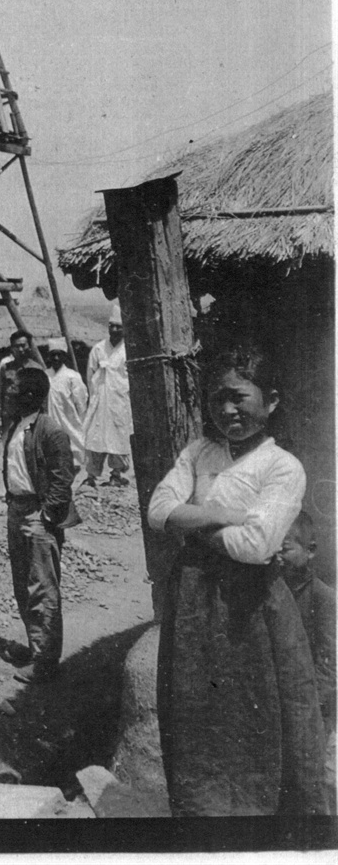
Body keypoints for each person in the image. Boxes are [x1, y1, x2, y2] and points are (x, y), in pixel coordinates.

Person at [148, 342, 326, 816]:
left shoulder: (282, 467)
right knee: (197, 714)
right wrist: (222, 514)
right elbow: (157, 509)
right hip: (193, 605)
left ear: (269, 400)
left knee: (261, 709)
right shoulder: (199, 452)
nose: (227, 409)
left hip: (252, 609)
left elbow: (258, 546)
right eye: (217, 399)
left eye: (238, 397)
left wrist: (196, 523)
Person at [1, 367, 80, 684]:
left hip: (37, 514)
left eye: (14, 387)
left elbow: (63, 479)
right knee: (23, 583)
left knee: (43, 588)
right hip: (16, 510)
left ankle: (46, 660)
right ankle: (36, 647)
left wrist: (46, 515)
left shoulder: (50, 431)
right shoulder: (17, 426)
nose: (8, 392)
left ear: (31, 394)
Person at [279, 511, 337, 812]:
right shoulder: (273, 594)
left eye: (285, 548)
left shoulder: (324, 599)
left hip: (316, 713)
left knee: (320, 782)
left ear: (310, 550)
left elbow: (330, 669)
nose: (277, 556)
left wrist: (304, 704)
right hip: (282, 712)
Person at [83, 305, 133, 487]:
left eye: (118, 326)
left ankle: (116, 473)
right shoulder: (98, 349)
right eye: (111, 325)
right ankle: (91, 476)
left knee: (119, 437)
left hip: (120, 402)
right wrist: (95, 395)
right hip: (99, 400)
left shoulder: (128, 350)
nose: (114, 329)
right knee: (95, 437)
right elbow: (90, 375)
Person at [44, 339, 88, 472]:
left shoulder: (72, 376)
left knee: (72, 444)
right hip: (51, 418)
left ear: (64, 356)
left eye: (59, 354)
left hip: (68, 419)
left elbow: (81, 401)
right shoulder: (46, 375)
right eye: (53, 355)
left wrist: (81, 418)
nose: (56, 358)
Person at [0, 330, 43, 429]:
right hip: (9, 418)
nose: (20, 349)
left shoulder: (37, 369)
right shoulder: (6, 368)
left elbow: (43, 397)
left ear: (29, 346)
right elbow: (0, 393)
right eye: (17, 346)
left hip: (30, 418)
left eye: (23, 345)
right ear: (12, 348)